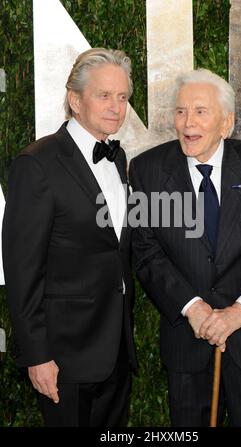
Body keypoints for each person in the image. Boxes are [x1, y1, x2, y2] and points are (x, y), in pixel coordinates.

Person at [129, 68, 241, 427]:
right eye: (180, 111)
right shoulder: (148, 171)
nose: (187, 123)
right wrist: (193, 309)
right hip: (187, 347)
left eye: (201, 111)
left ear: (227, 123)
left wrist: (238, 312)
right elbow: (146, 252)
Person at [2, 48, 137, 427]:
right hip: (63, 357)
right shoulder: (38, 164)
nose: (116, 107)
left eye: (123, 97)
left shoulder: (119, 158)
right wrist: (37, 355)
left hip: (117, 351)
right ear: (75, 100)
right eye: (104, 95)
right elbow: (22, 269)